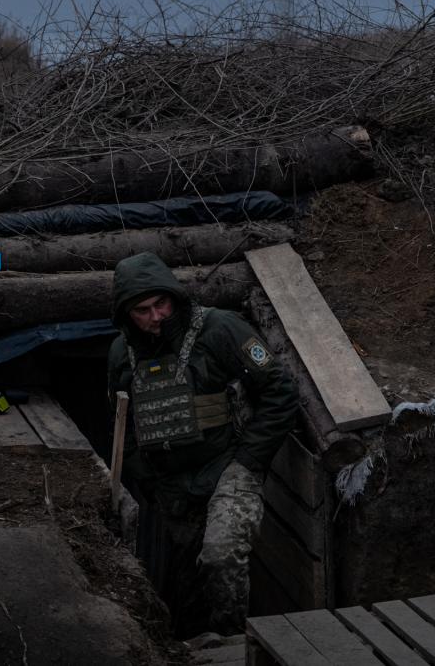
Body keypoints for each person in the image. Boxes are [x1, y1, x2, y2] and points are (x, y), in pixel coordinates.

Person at [106, 251, 299, 636]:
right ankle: (191, 645)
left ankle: (233, 644)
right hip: (173, 485)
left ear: (173, 296)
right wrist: (146, 477)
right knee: (190, 582)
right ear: (127, 314)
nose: (156, 317)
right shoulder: (120, 354)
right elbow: (121, 424)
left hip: (229, 467)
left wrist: (249, 460)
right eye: (142, 310)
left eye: (161, 303)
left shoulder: (219, 328)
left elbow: (280, 390)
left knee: (219, 555)